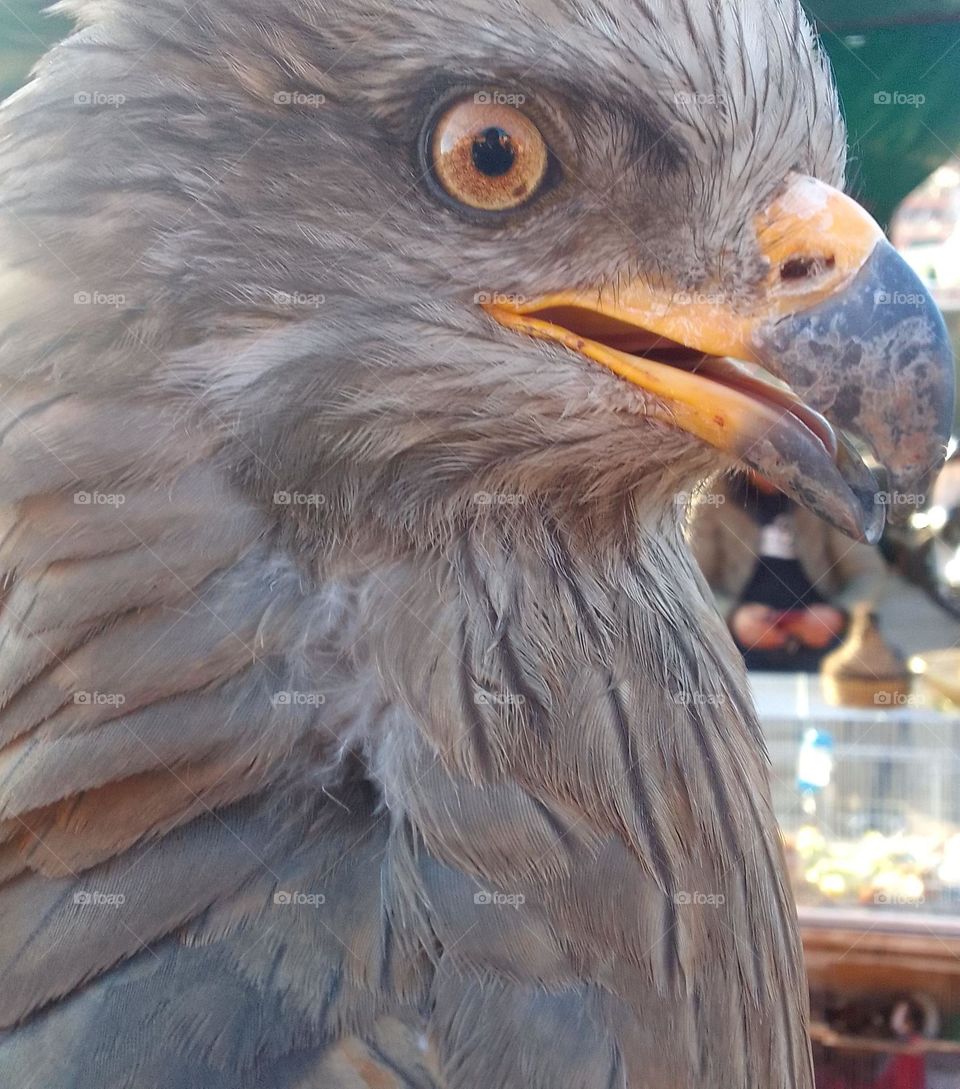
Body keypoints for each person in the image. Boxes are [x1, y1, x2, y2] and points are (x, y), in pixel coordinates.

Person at [691, 471, 887, 671]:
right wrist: (732, 618)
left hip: (825, 646)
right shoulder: (712, 497)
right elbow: (692, 580)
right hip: (735, 646)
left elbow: (867, 573)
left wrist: (839, 615)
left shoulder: (832, 495)